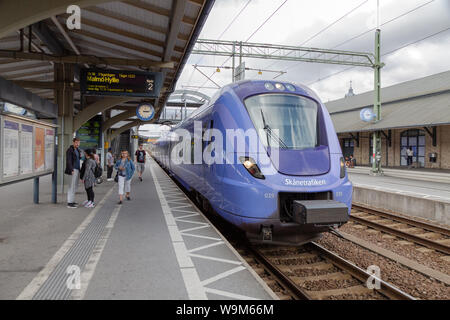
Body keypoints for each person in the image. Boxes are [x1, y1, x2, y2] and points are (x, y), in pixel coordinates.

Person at [65, 137, 81, 208]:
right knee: (71, 186)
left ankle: (72, 201)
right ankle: (69, 203)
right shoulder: (70, 150)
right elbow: (68, 161)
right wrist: (71, 169)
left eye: (78, 142)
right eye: (76, 142)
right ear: (73, 142)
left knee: (75, 186)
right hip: (73, 170)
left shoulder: (77, 150)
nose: (77, 144)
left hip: (77, 170)